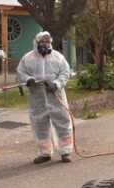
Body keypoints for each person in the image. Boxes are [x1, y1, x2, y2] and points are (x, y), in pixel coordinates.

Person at [16, 31, 73, 164]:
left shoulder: (58, 57)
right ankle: (45, 153)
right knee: (39, 124)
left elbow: (65, 72)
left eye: (47, 42)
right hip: (37, 97)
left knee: (62, 122)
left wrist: (57, 84)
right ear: (36, 43)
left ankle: (66, 152)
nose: (45, 44)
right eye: (42, 42)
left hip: (55, 95)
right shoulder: (28, 58)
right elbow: (21, 72)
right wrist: (28, 80)